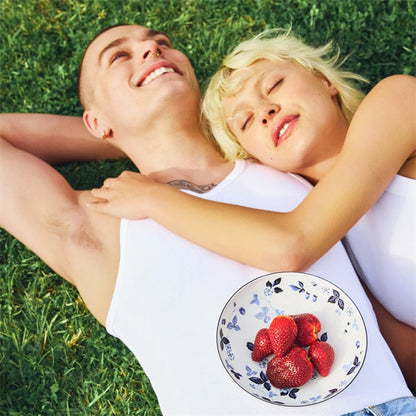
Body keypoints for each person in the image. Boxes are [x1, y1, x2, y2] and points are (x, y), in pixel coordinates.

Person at [0, 25, 414, 415]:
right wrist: (119, 135)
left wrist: (132, 132)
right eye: (119, 57)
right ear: (96, 122)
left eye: (159, 42)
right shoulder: (97, 221)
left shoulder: (286, 166)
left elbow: (375, 328)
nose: (151, 49)